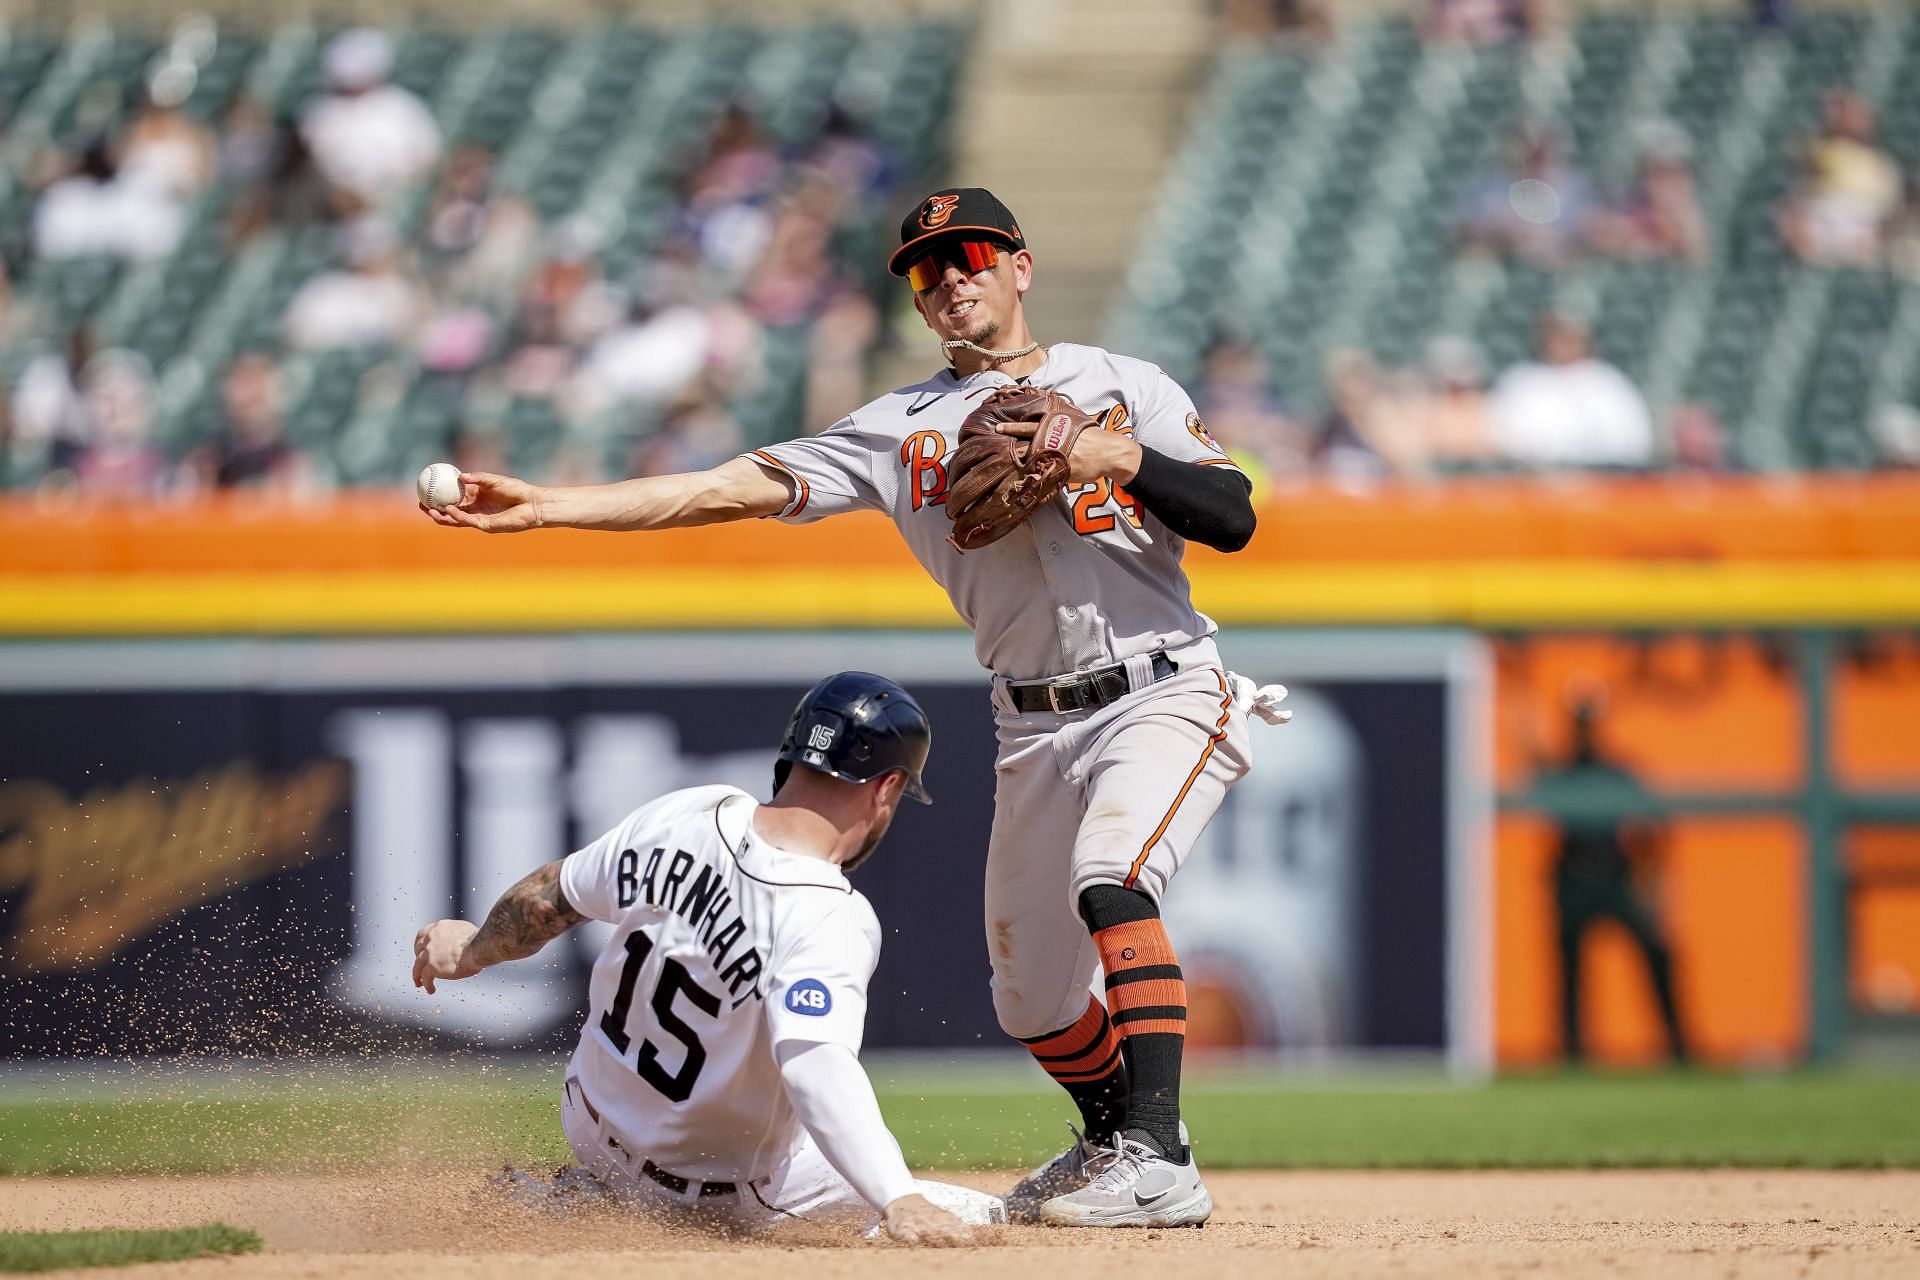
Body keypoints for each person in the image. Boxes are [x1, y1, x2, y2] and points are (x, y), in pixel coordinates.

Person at [422, 187, 1285, 1228]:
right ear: (920, 304)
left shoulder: (1122, 384)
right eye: (928, 271)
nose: (951, 277)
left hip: (1164, 685)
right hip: (1030, 716)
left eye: (969, 255)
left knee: (1113, 875)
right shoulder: (898, 428)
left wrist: (1123, 456)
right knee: (1034, 998)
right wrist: (554, 507)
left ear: (1018, 263)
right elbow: (721, 488)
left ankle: (1158, 1154)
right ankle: (1109, 1136)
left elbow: (1234, 515)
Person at [412, 672, 1002, 1244]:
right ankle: (629, 1213)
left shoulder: (694, 811)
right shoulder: (830, 913)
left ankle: (592, 1195)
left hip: (590, 1127)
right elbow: (815, 1065)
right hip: (713, 1191)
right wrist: (899, 1197)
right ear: (888, 787)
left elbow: (547, 897)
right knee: (986, 1215)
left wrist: (470, 951)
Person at [1537, 693, 1689, 1064]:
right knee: (1570, 973)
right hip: (1574, 876)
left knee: (1657, 955)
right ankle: (1571, 1056)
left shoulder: (1618, 772)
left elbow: (1653, 831)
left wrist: (1653, 889)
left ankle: (1680, 1050)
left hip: (1616, 875)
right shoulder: (1560, 773)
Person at [1490, 311, 1653, 470]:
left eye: (1569, 338)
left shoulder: (1609, 382)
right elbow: (1502, 441)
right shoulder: (1522, 381)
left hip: (1606, 483)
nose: (1563, 345)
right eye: (1557, 338)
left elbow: (1633, 442)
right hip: (1537, 483)